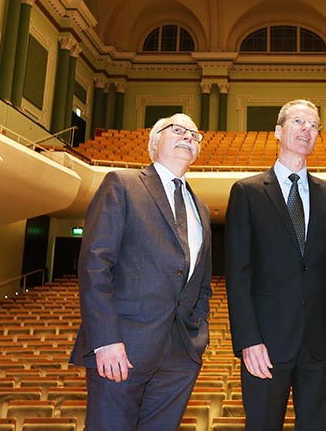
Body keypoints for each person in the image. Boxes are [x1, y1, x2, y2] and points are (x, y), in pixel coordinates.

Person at [70, 113, 212, 431]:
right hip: (122, 348)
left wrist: (198, 336)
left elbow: (202, 282)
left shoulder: (200, 207)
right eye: (178, 130)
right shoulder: (122, 184)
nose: (188, 136)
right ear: (154, 142)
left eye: (194, 134)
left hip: (179, 354)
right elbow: (95, 265)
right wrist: (104, 340)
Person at [225, 99, 326, 430]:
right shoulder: (247, 192)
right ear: (278, 131)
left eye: (314, 125)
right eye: (299, 122)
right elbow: (238, 274)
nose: (306, 130)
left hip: (320, 344)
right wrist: (247, 340)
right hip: (265, 345)